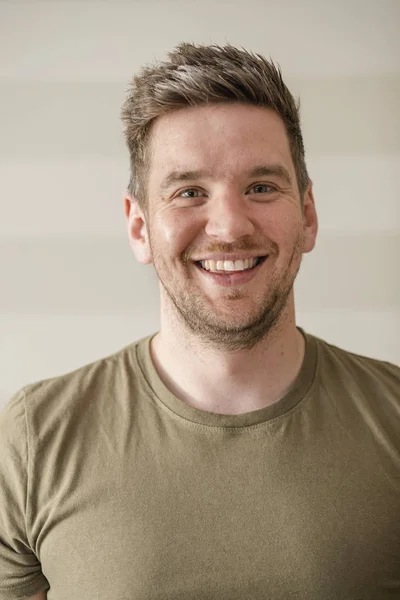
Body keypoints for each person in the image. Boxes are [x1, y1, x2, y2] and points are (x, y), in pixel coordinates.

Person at [0, 43, 399, 600]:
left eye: (261, 187)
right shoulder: (31, 439)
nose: (230, 226)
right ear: (139, 227)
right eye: (189, 192)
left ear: (307, 215)